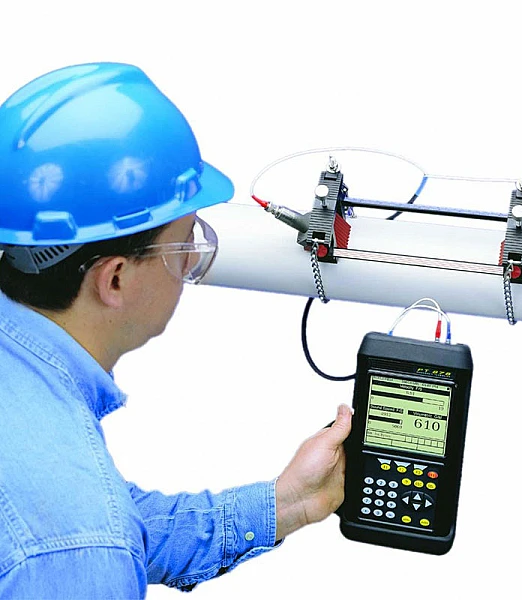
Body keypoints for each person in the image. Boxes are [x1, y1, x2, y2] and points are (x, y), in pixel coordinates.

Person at [0, 62, 352, 598]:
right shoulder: (77, 542)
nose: (191, 263)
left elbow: (109, 520)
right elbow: (83, 540)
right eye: (183, 244)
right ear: (114, 279)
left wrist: (287, 503)